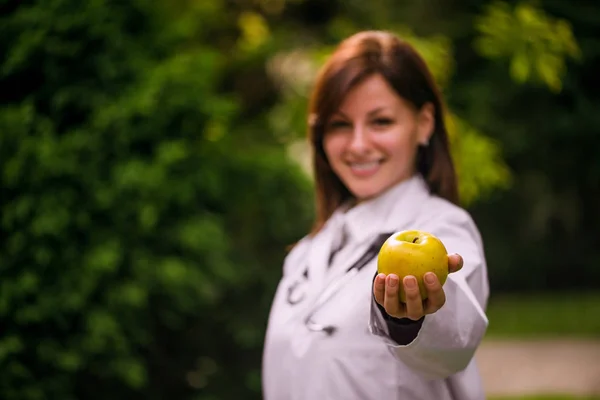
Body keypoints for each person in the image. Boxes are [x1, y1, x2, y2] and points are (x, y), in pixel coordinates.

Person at [262, 30, 490, 400]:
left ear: (424, 123)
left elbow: (453, 341)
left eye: (380, 122)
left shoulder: (443, 229)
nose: (357, 145)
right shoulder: (308, 251)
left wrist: (409, 317)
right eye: (339, 125)